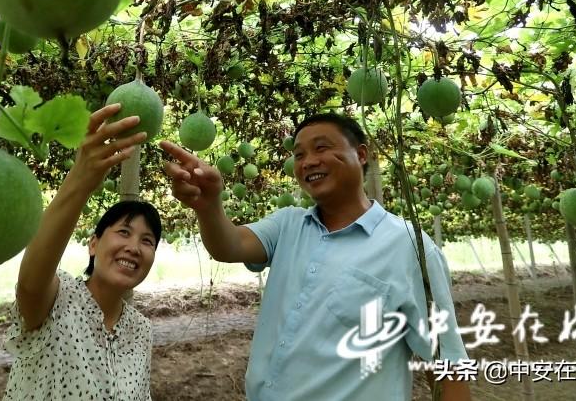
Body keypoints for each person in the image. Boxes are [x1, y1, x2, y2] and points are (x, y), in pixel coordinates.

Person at [160, 113, 471, 401]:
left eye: (321, 148)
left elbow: (446, 361)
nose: (308, 161)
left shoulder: (409, 247)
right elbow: (229, 246)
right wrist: (208, 204)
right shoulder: (287, 224)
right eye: (299, 155)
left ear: (361, 155)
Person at [3, 103, 162, 401]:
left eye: (147, 241)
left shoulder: (141, 330)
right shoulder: (58, 300)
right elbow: (30, 283)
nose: (134, 247)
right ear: (93, 243)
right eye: (124, 232)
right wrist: (80, 180)